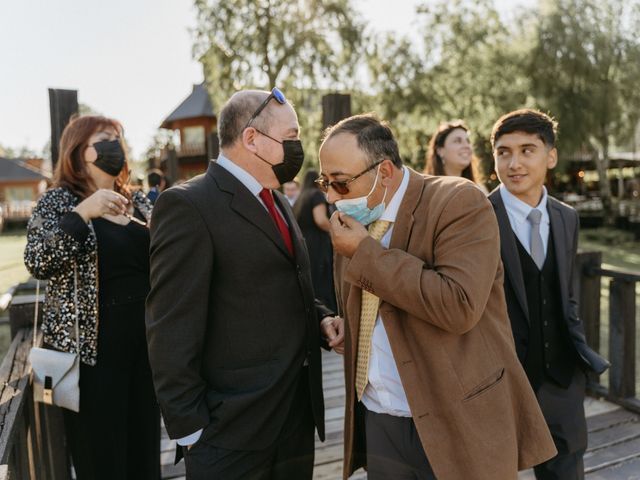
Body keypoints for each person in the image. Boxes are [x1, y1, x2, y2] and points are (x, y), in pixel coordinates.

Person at [318, 113, 556, 480]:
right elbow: (375, 301)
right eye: (325, 182)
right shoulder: (356, 217)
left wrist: (365, 253)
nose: (332, 196)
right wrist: (352, 326)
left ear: (383, 172)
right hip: (381, 417)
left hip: (457, 418)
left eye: (340, 183)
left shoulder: (459, 201)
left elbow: (458, 306)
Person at [145, 88, 342, 480]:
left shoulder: (278, 200)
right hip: (230, 435)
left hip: (294, 419)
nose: (297, 147)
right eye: (290, 137)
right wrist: (193, 433)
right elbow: (169, 328)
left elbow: (280, 283)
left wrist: (319, 319)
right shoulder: (188, 205)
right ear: (252, 139)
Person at [24, 115, 159, 479]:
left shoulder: (141, 202)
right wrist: (83, 213)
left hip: (145, 348)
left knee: (144, 450)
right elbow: (38, 260)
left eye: (118, 137)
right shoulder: (57, 202)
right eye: (104, 138)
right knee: (101, 456)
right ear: (79, 151)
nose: (115, 144)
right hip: (90, 357)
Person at [488, 109, 609, 480]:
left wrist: (579, 358)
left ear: (550, 156)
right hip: (501, 380)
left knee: (567, 470)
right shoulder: (477, 214)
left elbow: (566, 296)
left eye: (527, 150)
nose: (514, 163)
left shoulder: (566, 217)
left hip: (561, 377)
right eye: (504, 152)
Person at [293, 170, 337, 311]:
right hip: (318, 244)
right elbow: (320, 220)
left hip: (305, 244)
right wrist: (335, 231)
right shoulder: (316, 195)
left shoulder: (301, 197)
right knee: (322, 281)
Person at [424, 120, 488, 193]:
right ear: (440, 151)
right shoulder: (426, 190)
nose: (466, 146)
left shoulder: (480, 190)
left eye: (468, 141)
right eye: (457, 141)